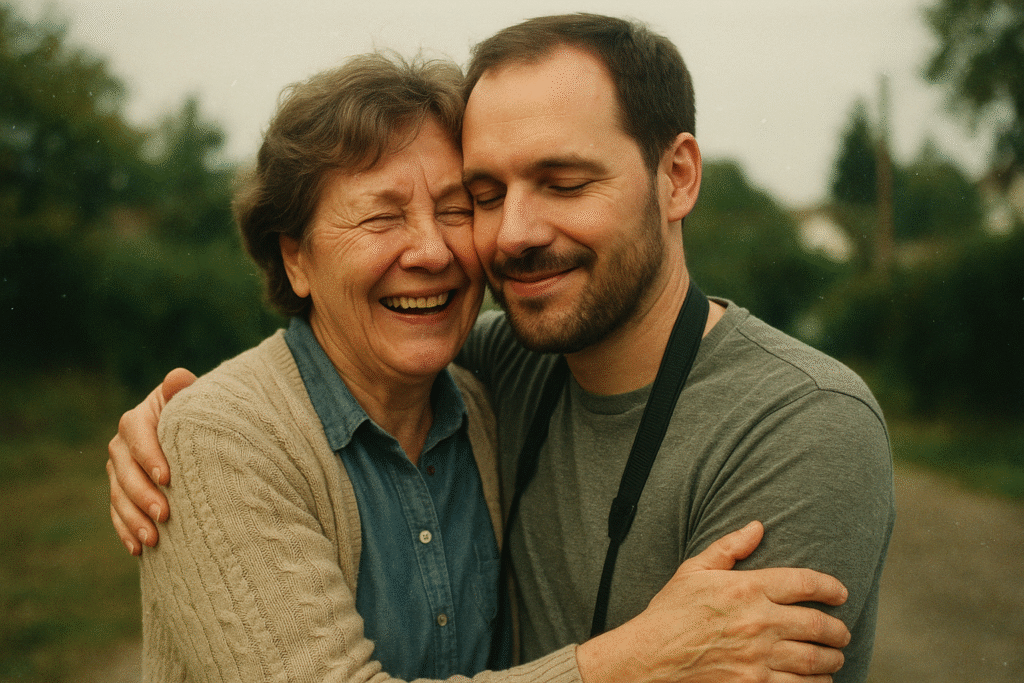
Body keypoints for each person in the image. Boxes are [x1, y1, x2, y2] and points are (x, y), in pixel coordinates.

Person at [107, 14, 887, 683]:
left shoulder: (798, 423)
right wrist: (189, 424)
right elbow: (293, 390)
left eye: (563, 182)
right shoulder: (487, 370)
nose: (510, 234)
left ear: (677, 176)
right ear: (295, 259)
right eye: (487, 195)